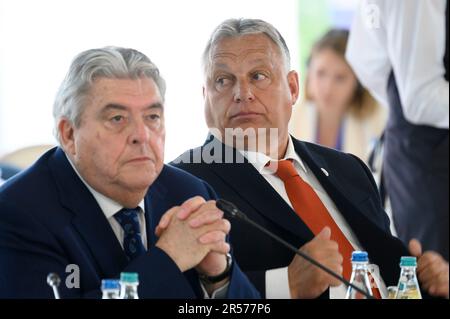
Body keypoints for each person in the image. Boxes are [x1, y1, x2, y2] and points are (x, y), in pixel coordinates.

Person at [170, 18, 449, 299]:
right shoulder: (183, 182)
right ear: (205, 96)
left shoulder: (349, 169)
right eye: (223, 80)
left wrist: (423, 279)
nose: (243, 94)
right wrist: (285, 285)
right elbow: (180, 296)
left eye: (258, 76)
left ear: (293, 88)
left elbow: (389, 272)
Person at [0, 47, 259, 299]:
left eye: (152, 117)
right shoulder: (16, 212)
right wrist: (168, 258)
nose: (142, 135)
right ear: (69, 134)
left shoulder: (190, 193)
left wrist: (217, 276)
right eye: (117, 119)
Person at [346, 0, 448, 260]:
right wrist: (399, 108)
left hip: (420, 145)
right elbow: (420, 100)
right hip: (430, 160)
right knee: (434, 277)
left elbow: (364, 61)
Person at [289, 29, 386, 164]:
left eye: (340, 78)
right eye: (320, 73)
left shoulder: (378, 121)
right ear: (309, 73)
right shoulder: (288, 118)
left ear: (357, 83)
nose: (328, 88)